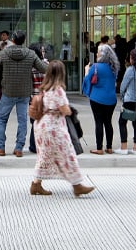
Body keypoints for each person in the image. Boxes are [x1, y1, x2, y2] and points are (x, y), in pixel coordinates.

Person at [28, 61, 94, 198]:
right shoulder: (58, 90)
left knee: (45, 156)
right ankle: (77, 185)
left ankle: (36, 184)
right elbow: (65, 110)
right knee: (68, 154)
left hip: (41, 125)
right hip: (54, 127)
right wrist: (69, 110)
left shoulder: (44, 88)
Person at [0, 30, 47, 157]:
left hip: (8, 91)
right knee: (22, 121)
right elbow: (44, 68)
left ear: (13, 40)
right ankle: (19, 148)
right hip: (24, 92)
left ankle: (0, 147)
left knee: (2, 119)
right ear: (24, 40)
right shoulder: (31, 54)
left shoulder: (4, 53)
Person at [82, 44, 118, 154]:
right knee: (108, 122)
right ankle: (109, 147)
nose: (97, 54)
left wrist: (86, 70)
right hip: (111, 99)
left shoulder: (96, 67)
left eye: (98, 52)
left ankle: (99, 148)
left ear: (102, 54)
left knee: (99, 122)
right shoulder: (114, 67)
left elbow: (87, 80)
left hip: (97, 98)